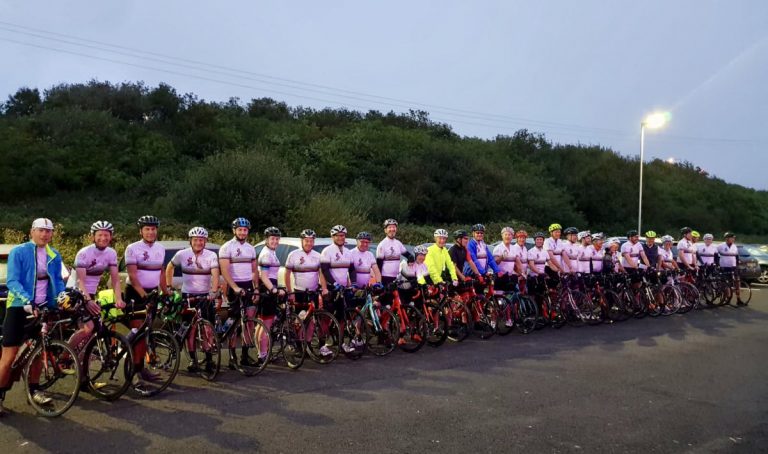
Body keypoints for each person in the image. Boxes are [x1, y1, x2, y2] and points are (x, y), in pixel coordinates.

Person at [0, 218, 65, 415]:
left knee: (40, 350)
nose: (44, 234)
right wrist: (27, 300)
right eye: (40, 231)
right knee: (9, 356)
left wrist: (62, 297)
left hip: (43, 307)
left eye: (48, 231)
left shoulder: (54, 255)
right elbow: (12, 281)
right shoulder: (19, 252)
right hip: (19, 307)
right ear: (32, 232)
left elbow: (59, 283)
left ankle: (35, 389)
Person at [68, 221, 123, 387]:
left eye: (107, 235)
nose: (103, 238)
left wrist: (119, 299)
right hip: (75, 293)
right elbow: (80, 282)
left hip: (90, 294)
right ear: (93, 236)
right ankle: (66, 355)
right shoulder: (84, 253)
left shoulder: (111, 253)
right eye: (100, 234)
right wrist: (88, 301)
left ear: (111, 237)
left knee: (93, 336)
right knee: (88, 328)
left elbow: (115, 280)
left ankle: (84, 379)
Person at [165, 227, 220, 372]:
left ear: (205, 241)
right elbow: (169, 267)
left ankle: (209, 360)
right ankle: (193, 360)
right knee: (191, 329)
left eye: (201, 240)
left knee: (208, 329)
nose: (198, 242)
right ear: (190, 241)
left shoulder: (211, 255)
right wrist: (169, 285)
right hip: (188, 295)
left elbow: (215, 274)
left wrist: (214, 291)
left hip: (205, 296)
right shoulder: (182, 254)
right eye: (195, 240)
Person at [124, 215, 169, 389]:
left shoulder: (160, 248)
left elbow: (161, 272)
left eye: (153, 229)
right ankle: (134, 373)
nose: (151, 232)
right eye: (147, 229)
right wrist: (144, 295)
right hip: (135, 294)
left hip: (151, 293)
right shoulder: (132, 248)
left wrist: (166, 293)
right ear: (140, 231)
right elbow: (133, 276)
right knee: (138, 334)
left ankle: (141, 369)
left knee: (146, 334)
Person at [284, 229, 333, 356]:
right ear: (302, 241)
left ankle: (308, 343)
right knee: (300, 320)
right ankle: (298, 344)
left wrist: (324, 289)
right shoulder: (293, 255)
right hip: (299, 291)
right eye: (306, 240)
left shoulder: (317, 255)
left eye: (311, 241)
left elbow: (321, 274)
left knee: (311, 321)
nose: (309, 243)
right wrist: (290, 292)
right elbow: (287, 273)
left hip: (313, 292)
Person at [218, 217, 259, 368]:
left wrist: (255, 288)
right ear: (234, 230)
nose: (243, 232)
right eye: (240, 230)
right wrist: (234, 287)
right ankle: (231, 356)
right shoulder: (226, 247)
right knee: (235, 322)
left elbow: (255, 271)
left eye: (245, 230)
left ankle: (245, 356)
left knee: (248, 321)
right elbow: (225, 270)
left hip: (247, 286)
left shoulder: (250, 248)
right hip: (233, 286)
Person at [376, 219, 414, 287]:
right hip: (385, 277)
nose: (392, 229)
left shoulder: (398, 243)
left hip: (397, 277)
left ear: (396, 229)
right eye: (389, 227)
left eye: (394, 227)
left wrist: (411, 259)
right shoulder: (382, 245)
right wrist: (379, 280)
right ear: (385, 230)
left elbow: (408, 255)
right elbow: (379, 264)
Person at [493, 227, 524, 293]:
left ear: (512, 236)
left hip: (510, 276)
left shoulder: (514, 248)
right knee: (500, 298)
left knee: (514, 296)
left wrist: (522, 273)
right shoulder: (498, 248)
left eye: (509, 235)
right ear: (502, 236)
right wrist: (501, 257)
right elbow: (495, 263)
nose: (507, 236)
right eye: (506, 234)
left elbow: (518, 263)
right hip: (500, 277)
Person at [716, 232, 743, 304]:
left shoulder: (734, 246)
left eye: (734, 238)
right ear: (727, 238)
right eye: (732, 238)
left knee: (737, 282)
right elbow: (715, 255)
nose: (733, 239)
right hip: (724, 267)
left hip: (733, 267)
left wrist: (737, 265)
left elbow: (736, 256)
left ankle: (738, 299)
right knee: (725, 284)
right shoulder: (720, 246)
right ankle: (727, 298)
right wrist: (717, 264)